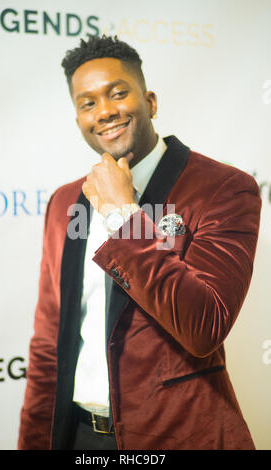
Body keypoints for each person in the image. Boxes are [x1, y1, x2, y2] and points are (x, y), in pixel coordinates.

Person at [18, 35, 261, 450]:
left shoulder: (222, 188)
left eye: (117, 93)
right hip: (79, 436)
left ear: (149, 101)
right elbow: (48, 342)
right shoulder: (65, 202)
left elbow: (205, 327)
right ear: (78, 118)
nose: (105, 111)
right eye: (88, 103)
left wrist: (122, 215)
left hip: (177, 435)